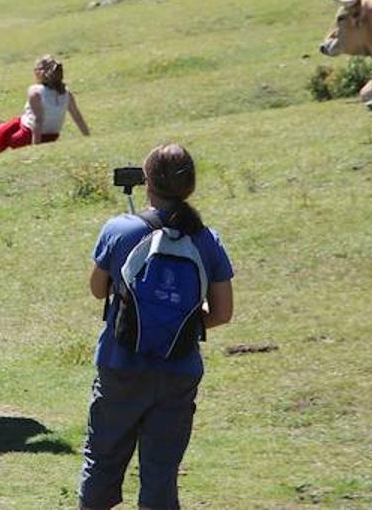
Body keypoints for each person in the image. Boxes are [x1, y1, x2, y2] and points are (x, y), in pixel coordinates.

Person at [80, 144, 235, 510]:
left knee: (101, 462)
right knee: (161, 473)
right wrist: (179, 324)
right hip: (178, 370)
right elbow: (223, 312)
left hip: (120, 365)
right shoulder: (207, 240)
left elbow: (96, 288)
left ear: (146, 181)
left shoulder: (119, 229)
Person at [0, 55, 90, 155]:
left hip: (30, 135)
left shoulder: (36, 92)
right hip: (51, 136)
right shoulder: (66, 94)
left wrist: (36, 148)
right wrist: (87, 137)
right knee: (10, 124)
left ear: (41, 73)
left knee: (4, 134)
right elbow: (78, 118)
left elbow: (38, 120)